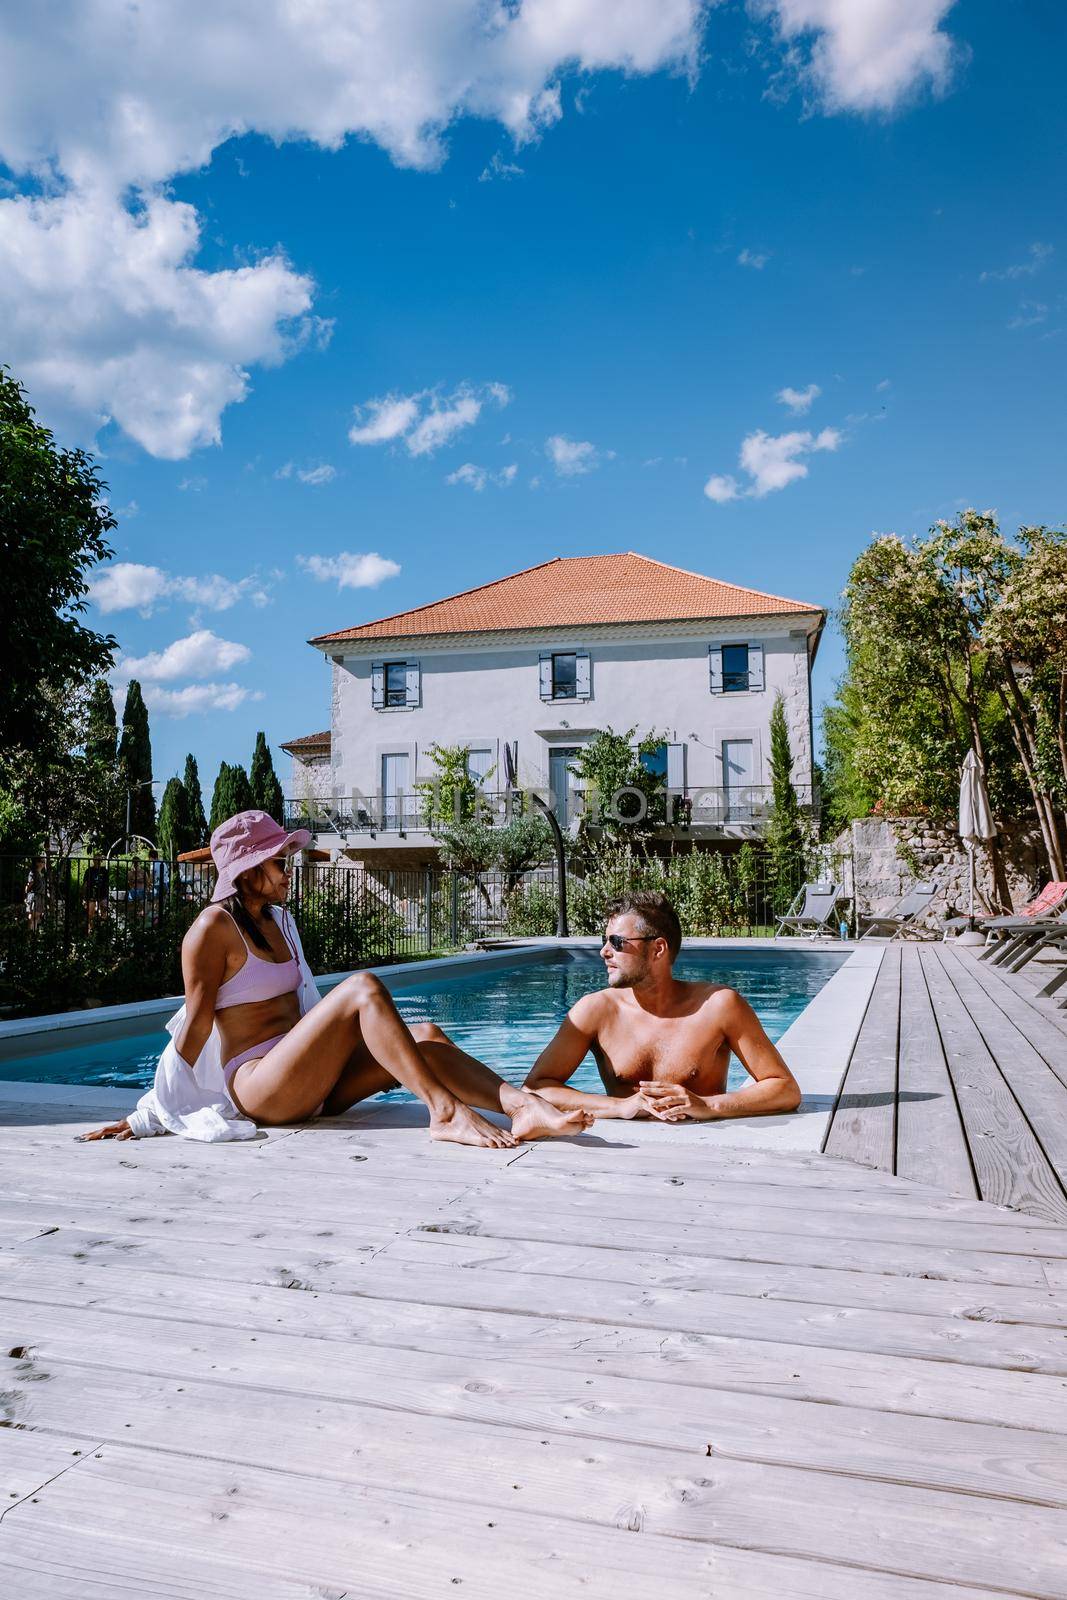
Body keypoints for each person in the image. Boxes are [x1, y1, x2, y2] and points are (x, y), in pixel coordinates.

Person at [80, 809, 590, 1147]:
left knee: (426, 1038)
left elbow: (305, 1012)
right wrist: (148, 1113)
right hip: (263, 1087)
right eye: (279, 862)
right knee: (363, 987)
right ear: (248, 869)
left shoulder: (278, 921)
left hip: (311, 1077)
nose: (287, 872)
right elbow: (193, 1026)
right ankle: (445, 1113)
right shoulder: (211, 930)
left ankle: (524, 1107)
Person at [524, 891, 803, 1123]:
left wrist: (708, 1105)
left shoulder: (718, 1006)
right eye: (604, 941)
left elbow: (785, 1089)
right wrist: (618, 1107)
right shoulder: (595, 1010)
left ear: (658, 949)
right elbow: (536, 1087)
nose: (604, 951)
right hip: (620, 1161)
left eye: (617, 942)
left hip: (706, 1155)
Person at [84, 855, 109, 927]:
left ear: (101, 861)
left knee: (104, 912)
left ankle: (102, 930)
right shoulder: (89, 870)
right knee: (90, 914)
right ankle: (90, 930)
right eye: (95, 859)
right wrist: (84, 896)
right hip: (92, 893)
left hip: (102, 893)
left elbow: (106, 884)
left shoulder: (104, 871)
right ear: (93, 860)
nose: (97, 861)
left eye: (99, 860)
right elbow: (85, 883)